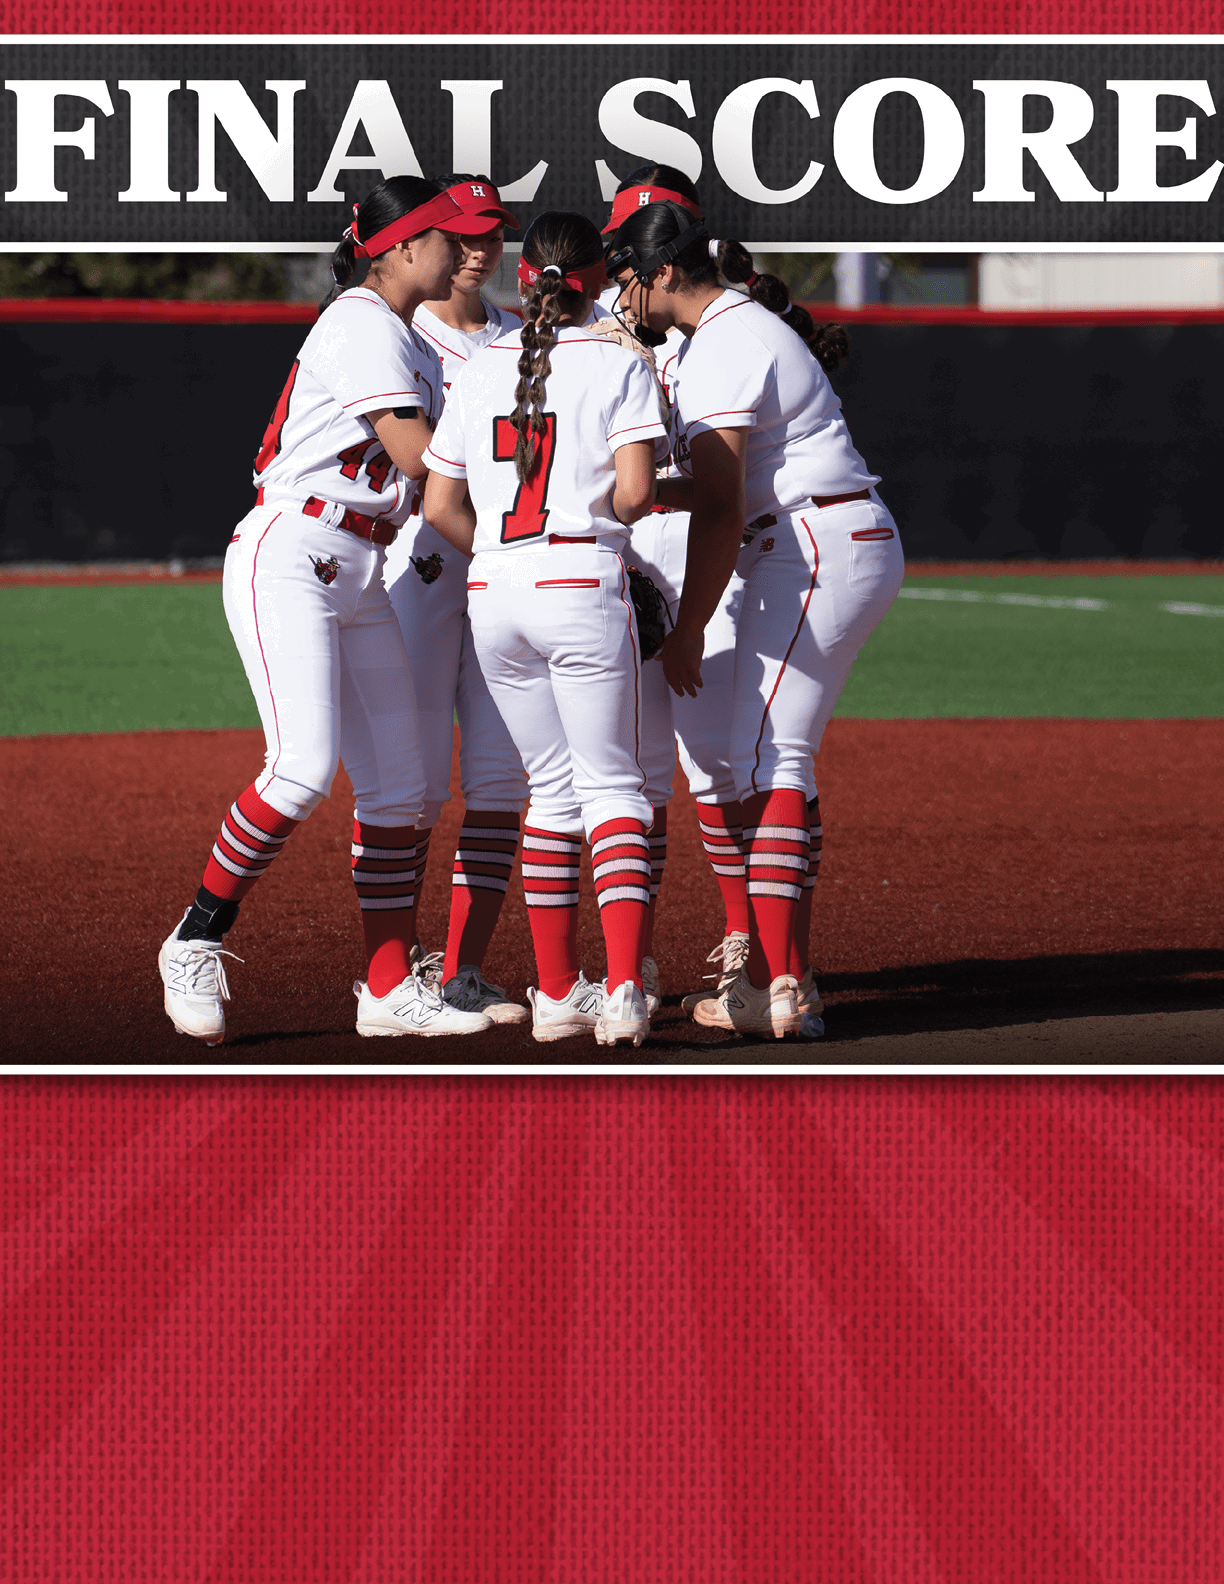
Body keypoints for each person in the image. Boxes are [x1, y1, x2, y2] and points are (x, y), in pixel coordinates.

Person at [157, 176, 505, 1044]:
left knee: (405, 789)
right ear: (397, 249)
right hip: (292, 554)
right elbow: (420, 457)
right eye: (443, 237)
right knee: (302, 768)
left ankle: (388, 988)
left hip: (359, 564)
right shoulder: (360, 322)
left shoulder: (405, 335)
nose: (459, 252)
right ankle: (194, 936)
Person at [607, 202, 905, 1039]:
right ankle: (774, 977)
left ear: (664, 272)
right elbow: (711, 494)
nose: (622, 289)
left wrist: (691, 624)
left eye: (628, 272)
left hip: (816, 540)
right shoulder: (725, 331)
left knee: (774, 756)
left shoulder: (728, 341)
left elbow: (720, 505)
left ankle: (785, 990)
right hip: (806, 536)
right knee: (748, 759)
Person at [422, 211, 668, 1047]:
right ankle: (626, 987)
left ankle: (561, 994)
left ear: (522, 278)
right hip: (579, 578)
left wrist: (499, 551)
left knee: (552, 793)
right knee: (615, 789)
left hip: (494, 587)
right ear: (597, 278)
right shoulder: (616, 360)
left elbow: (438, 506)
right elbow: (634, 496)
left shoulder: (483, 365)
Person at [380, 175, 533, 1025]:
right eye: (466, 233)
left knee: (500, 778)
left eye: (493, 234)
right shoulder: (401, 336)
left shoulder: (526, 338)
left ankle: (465, 971)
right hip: (426, 567)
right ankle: (397, 972)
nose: (480, 249)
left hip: (506, 578)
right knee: (407, 781)